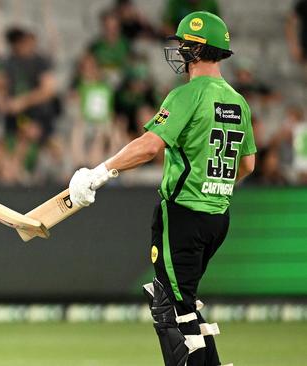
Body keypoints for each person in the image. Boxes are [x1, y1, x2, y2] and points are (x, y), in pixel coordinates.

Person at [68, 12, 256, 366]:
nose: (179, 51)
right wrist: (212, 185)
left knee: (172, 310)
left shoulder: (186, 95)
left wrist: (99, 172)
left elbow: (149, 146)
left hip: (183, 213)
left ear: (196, 51)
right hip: (218, 217)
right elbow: (247, 165)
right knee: (179, 300)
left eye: (184, 44)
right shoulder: (238, 101)